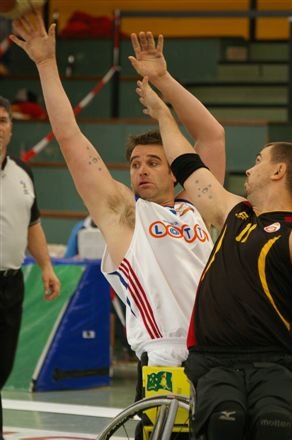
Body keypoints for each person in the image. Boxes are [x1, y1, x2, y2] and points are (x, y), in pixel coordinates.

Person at [10, 15, 225, 372]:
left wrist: (163, 80)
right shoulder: (125, 213)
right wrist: (47, 65)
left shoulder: (199, 206)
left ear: (175, 171)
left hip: (216, 346)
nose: (141, 169)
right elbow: (70, 139)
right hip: (164, 355)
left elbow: (213, 135)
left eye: (153, 162)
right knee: (170, 431)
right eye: (136, 163)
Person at [129, 76, 292, 440]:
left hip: (272, 361)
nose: (248, 168)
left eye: (258, 161)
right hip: (214, 362)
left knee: (275, 431)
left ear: (278, 171)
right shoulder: (234, 213)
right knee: (225, 425)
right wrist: (163, 107)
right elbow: (187, 162)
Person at [0, 95, 60, 436]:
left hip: (11, 285)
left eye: (3, 121)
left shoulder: (24, 173)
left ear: (11, 127)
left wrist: (46, 267)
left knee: (3, 369)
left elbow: (32, 224)